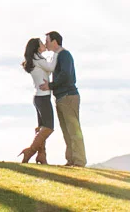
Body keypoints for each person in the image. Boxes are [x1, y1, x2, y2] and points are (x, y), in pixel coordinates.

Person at [39, 30, 86, 167]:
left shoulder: (64, 55)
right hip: (61, 97)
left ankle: (79, 161)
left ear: (54, 41)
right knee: (67, 131)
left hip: (68, 96)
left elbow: (66, 75)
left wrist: (51, 85)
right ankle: (71, 160)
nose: (46, 44)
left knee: (73, 130)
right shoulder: (56, 57)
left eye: (47, 41)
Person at [19, 37, 56, 164]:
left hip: (39, 97)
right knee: (49, 127)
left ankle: (42, 155)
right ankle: (30, 151)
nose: (44, 44)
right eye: (41, 43)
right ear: (37, 47)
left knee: (42, 127)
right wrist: (56, 53)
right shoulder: (38, 58)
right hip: (43, 97)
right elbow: (51, 68)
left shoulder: (36, 59)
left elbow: (47, 69)